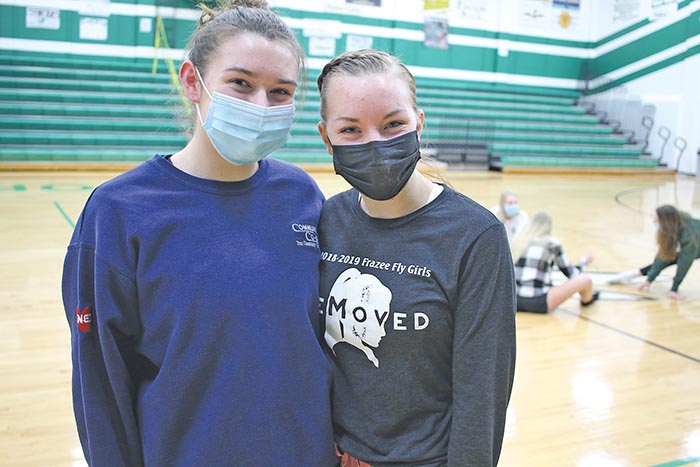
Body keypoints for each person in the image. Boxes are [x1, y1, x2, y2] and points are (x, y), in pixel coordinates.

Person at [60, 1, 337, 466]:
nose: (261, 105)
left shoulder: (302, 196)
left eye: (281, 91)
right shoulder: (119, 211)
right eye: (241, 83)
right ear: (193, 81)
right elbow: (100, 381)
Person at [316, 49, 516, 467]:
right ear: (326, 137)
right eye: (350, 129)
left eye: (393, 124)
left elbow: (482, 394)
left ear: (418, 124)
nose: (375, 143)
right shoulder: (325, 221)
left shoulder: (476, 236)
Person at [511, 210, 598, 313]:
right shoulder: (551, 243)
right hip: (538, 302)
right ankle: (587, 300)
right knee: (585, 280)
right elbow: (571, 274)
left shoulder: (517, 242)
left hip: (513, 301)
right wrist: (584, 262)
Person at [607, 205, 699, 300]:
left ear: (666, 221)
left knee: (680, 258)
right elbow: (663, 256)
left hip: (695, 245)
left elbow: (685, 263)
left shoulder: (689, 237)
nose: (654, 221)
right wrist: (649, 279)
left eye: (656, 219)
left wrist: (674, 289)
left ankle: (633, 274)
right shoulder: (674, 225)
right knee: (670, 257)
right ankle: (632, 274)